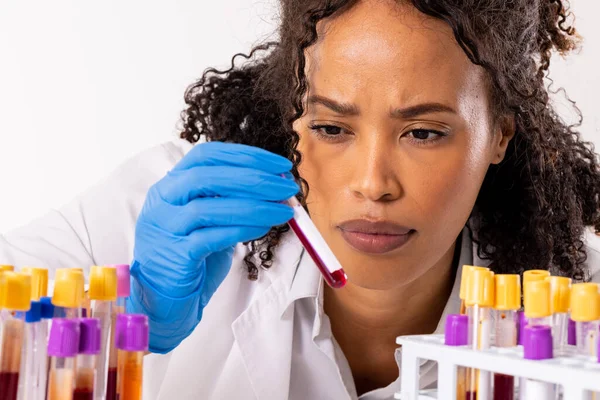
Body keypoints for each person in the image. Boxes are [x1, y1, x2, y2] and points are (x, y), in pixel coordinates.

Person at [2, 0, 600, 398]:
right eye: (332, 128)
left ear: (499, 134)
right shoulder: (166, 214)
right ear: (289, 115)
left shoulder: (580, 310)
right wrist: (116, 321)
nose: (372, 183)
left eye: (423, 132)